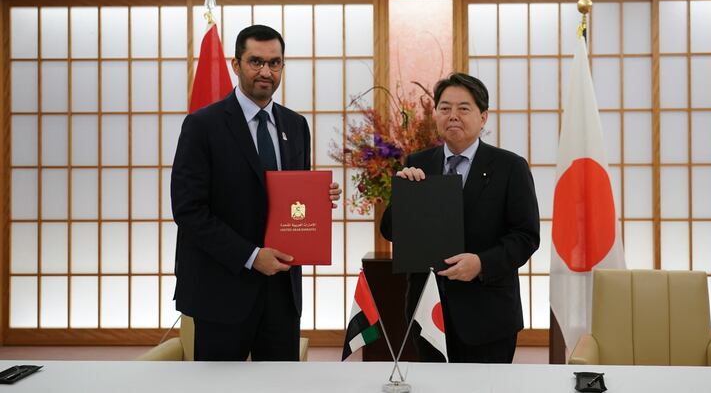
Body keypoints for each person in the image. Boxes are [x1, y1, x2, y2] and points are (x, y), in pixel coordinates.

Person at [171, 24, 341, 361]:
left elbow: (290, 196)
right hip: (222, 288)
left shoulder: (295, 125)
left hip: (281, 291)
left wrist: (319, 199)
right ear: (236, 65)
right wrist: (250, 256)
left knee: (280, 386)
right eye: (256, 62)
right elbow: (188, 210)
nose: (266, 71)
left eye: (275, 63)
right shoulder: (203, 125)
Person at [380, 72, 540, 363]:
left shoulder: (510, 167)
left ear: (483, 117)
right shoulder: (418, 163)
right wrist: (405, 194)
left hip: (488, 315)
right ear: (436, 115)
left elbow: (526, 237)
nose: (453, 116)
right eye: (445, 108)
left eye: (463, 108)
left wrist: (481, 264)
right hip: (428, 311)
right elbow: (391, 231)